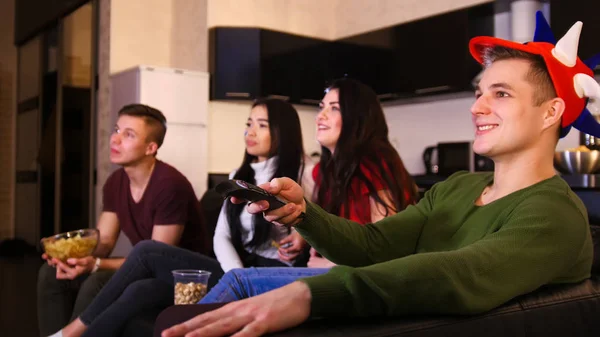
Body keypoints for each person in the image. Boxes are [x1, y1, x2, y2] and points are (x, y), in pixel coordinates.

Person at [160, 12, 599, 337]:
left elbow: (457, 273)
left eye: (500, 94)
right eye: (479, 92)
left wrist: (311, 292)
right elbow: (373, 245)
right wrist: (303, 214)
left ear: (551, 112)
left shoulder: (554, 214)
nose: (476, 107)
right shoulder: (460, 186)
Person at [53, 98, 314, 337]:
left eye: (262, 125)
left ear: (282, 131)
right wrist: (236, 278)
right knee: (139, 290)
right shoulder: (240, 173)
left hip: (273, 275)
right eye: (248, 123)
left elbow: (315, 227)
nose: (250, 131)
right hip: (234, 269)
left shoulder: (304, 174)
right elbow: (221, 235)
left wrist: (299, 238)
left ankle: (69, 333)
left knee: (147, 252)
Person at [38, 104, 210, 336]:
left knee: (97, 281)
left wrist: (96, 265)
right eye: (117, 130)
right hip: (145, 264)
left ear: (151, 147)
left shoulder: (170, 185)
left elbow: (155, 258)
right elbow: (105, 241)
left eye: (128, 135)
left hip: (180, 275)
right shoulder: (116, 182)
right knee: (51, 273)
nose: (115, 140)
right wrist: (67, 256)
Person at [300, 78, 417, 268]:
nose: (320, 116)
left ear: (357, 118)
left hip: (364, 281)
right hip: (342, 274)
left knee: (239, 281)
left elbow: (387, 251)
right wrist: (302, 237)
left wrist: (331, 265)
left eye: (334, 108)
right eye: (321, 107)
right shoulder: (324, 170)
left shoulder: (374, 166)